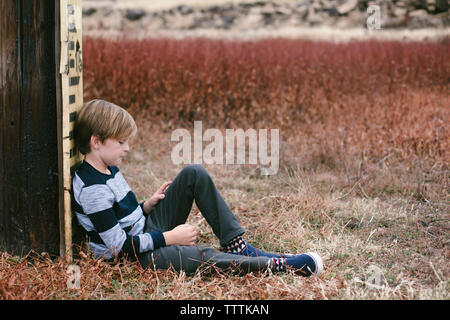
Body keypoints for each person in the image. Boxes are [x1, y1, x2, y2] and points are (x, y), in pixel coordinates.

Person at [72, 99, 323, 277]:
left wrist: (146, 206)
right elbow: (118, 246)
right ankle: (279, 265)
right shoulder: (93, 189)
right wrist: (170, 238)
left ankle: (236, 245)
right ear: (96, 142)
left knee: (194, 172)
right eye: (121, 142)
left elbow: (120, 218)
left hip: (143, 233)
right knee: (199, 255)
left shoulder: (108, 167)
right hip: (134, 257)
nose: (127, 148)